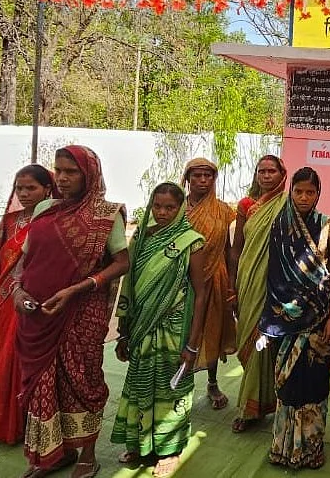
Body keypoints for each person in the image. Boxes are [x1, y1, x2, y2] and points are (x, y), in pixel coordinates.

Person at [14, 146, 130, 478]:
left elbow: (122, 263)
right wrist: (19, 290)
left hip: (81, 314)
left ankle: (87, 456)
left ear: (89, 174)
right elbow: (26, 261)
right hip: (38, 315)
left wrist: (76, 289)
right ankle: (52, 454)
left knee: (83, 381)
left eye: (71, 171)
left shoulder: (107, 214)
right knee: (44, 386)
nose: (62, 178)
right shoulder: (45, 210)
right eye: (59, 171)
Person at [111, 183, 207, 477]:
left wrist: (193, 344)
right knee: (141, 382)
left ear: (181, 209)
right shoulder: (140, 238)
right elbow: (130, 282)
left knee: (170, 390)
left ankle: (170, 450)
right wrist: (124, 328)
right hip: (141, 325)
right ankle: (141, 444)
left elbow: (201, 293)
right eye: (157, 207)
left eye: (170, 208)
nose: (163, 213)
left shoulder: (191, 241)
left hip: (174, 328)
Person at [258, 167, 330, 468]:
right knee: (287, 384)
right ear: (291, 191)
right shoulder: (277, 226)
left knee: (315, 384)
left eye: (310, 192)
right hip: (283, 320)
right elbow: (269, 274)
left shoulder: (328, 226)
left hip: (318, 320)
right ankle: (284, 446)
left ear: (318, 194)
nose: (304, 197)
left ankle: (311, 447)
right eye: (299, 191)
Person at [0, 164, 59, 445]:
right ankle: (3, 424)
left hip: (38, 303)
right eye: (19, 188)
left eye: (30, 188)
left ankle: (30, 422)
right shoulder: (10, 223)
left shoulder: (57, 219)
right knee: (4, 361)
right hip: (6, 303)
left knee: (31, 363)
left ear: (48, 189)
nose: (23, 194)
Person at [227, 155, 287, 433]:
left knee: (265, 343)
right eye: (261, 171)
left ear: (282, 174)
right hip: (248, 282)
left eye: (271, 171)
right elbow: (236, 247)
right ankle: (255, 403)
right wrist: (233, 284)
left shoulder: (288, 203)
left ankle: (250, 407)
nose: (265, 176)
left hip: (273, 284)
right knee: (248, 342)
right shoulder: (246, 206)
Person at [182, 158, 238, 410]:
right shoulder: (177, 209)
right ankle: (180, 382)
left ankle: (213, 383)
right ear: (188, 178)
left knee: (213, 328)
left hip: (216, 276)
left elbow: (227, 248)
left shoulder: (223, 211)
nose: (203, 180)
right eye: (197, 176)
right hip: (182, 280)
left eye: (208, 176)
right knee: (182, 331)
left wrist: (231, 284)